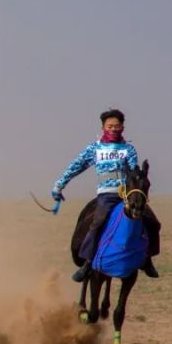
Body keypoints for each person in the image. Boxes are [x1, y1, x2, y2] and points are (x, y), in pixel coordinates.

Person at [53, 109, 160, 282]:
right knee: (97, 223)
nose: (113, 129)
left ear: (122, 127)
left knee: (152, 223)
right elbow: (76, 166)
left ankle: (147, 260)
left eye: (117, 126)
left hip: (128, 194)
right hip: (106, 195)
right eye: (110, 126)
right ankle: (88, 263)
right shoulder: (94, 149)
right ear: (103, 127)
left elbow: (133, 171)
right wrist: (59, 185)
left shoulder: (128, 149)